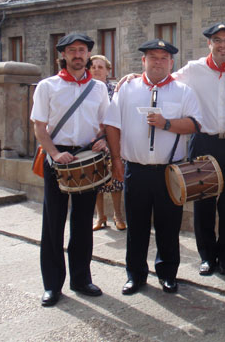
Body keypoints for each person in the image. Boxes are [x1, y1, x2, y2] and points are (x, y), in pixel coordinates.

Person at [104, 39, 202, 295]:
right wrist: (116, 160)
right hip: (136, 169)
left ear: (171, 63)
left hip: (170, 171)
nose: (158, 62)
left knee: (169, 226)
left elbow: (194, 124)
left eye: (163, 58)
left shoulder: (183, 91)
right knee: (135, 226)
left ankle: (167, 274)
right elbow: (112, 124)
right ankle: (135, 275)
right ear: (143, 61)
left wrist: (166, 124)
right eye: (152, 57)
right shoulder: (127, 89)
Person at [30, 33, 110, 307]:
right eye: (72, 50)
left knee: (83, 223)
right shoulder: (47, 86)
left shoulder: (98, 88)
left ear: (88, 55)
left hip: (87, 158)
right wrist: (53, 153)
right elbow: (39, 127)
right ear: (63, 55)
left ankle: (80, 278)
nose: (78, 55)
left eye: (82, 50)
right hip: (57, 158)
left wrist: (102, 141)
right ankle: (52, 285)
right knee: (53, 224)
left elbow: (105, 124)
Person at [174, 23, 225, 276]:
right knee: (203, 202)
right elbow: (167, 83)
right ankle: (206, 257)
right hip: (203, 142)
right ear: (209, 43)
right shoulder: (194, 70)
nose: (223, 45)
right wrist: (135, 78)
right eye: (218, 40)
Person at [90, 55, 126, 232]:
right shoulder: (86, 90)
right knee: (96, 179)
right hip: (93, 141)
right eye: (93, 66)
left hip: (113, 140)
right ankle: (100, 216)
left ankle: (118, 215)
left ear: (108, 70)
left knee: (115, 179)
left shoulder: (115, 90)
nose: (96, 69)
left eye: (100, 67)